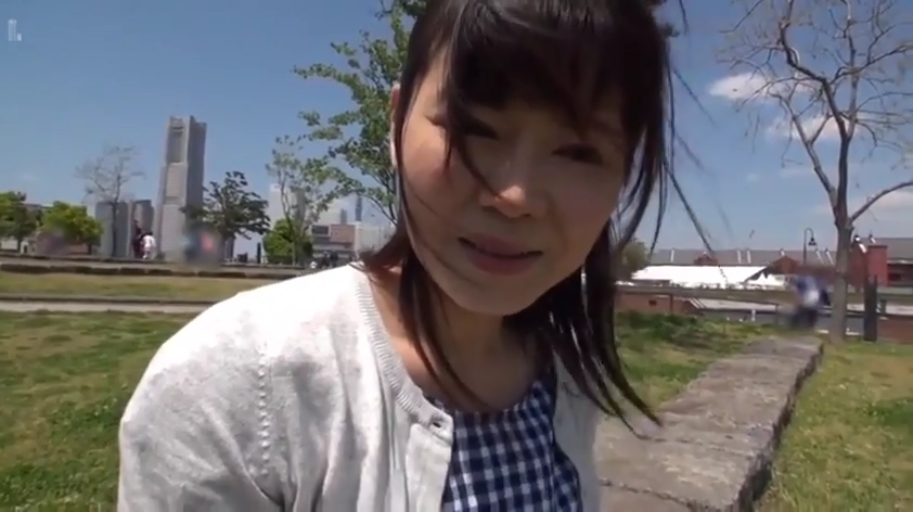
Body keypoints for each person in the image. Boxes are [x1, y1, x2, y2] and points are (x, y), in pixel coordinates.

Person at [117, 0, 673, 509]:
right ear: (396, 120)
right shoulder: (236, 388)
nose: (515, 196)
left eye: (578, 152)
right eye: (474, 128)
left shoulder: (564, 376)